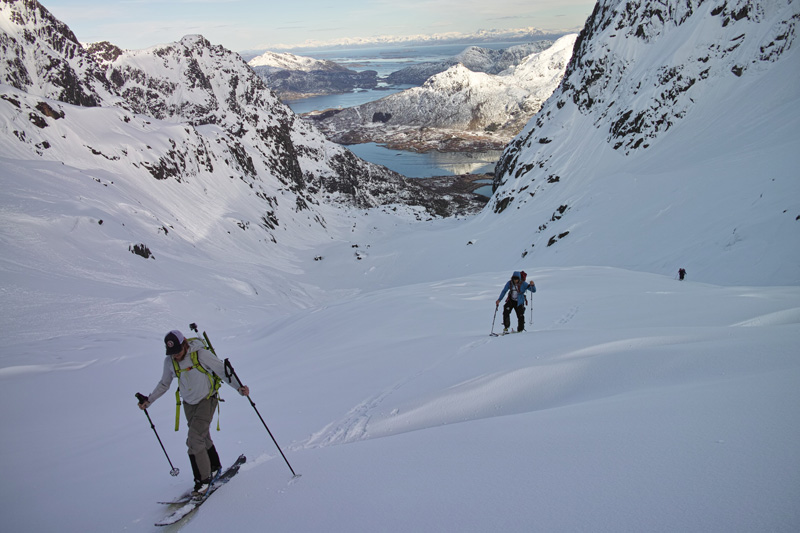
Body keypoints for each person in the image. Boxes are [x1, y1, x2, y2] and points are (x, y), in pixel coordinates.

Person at [138, 330, 250, 495]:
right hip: (188, 404)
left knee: (194, 439)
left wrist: (239, 388)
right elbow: (164, 384)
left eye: (177, 351)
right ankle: (214, 467)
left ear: (184, 344)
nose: (175, 355)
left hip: (207, 400)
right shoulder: (169, 361)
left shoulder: (200, 354)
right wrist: (149, 400)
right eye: (172, 352)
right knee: (202, 436)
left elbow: (222, 370)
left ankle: (203, 481)